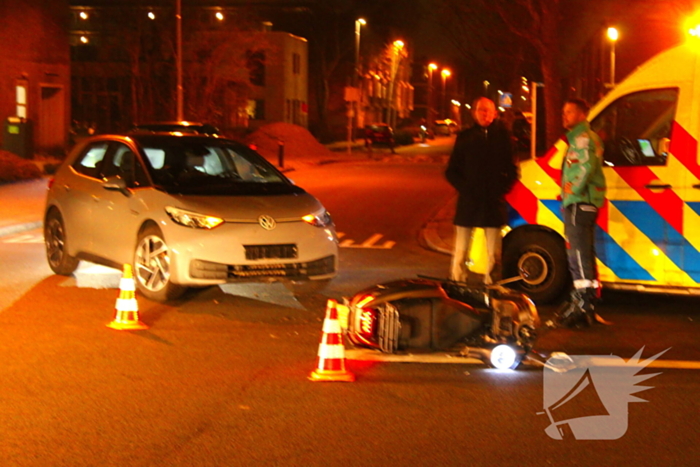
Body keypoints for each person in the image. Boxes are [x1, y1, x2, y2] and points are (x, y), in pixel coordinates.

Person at [445, 97, 518, 286]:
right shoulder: (465, 138)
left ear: (495, 113)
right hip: (469, 201)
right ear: (474, 113)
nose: (485, 114)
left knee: (494, 251)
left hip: (493, 201)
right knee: (461, 249)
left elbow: (511, 170)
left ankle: (492, 284)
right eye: (481, 110)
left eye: (488, 110)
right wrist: (465, 188)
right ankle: (457, 282)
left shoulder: (503, 138)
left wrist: (500, 189)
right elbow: (451, 170)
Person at [555, 98, 607, 328]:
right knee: (584, 253)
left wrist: (568, 193)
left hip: (579, 202)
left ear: (582, 114)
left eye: (569, 111)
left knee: (577, 254)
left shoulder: (583, 140)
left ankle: (581, 304)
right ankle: (588, 304)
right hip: (584, 201)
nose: (564, 116)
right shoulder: (581, 138)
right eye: (563, 111)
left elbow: (582, 170)